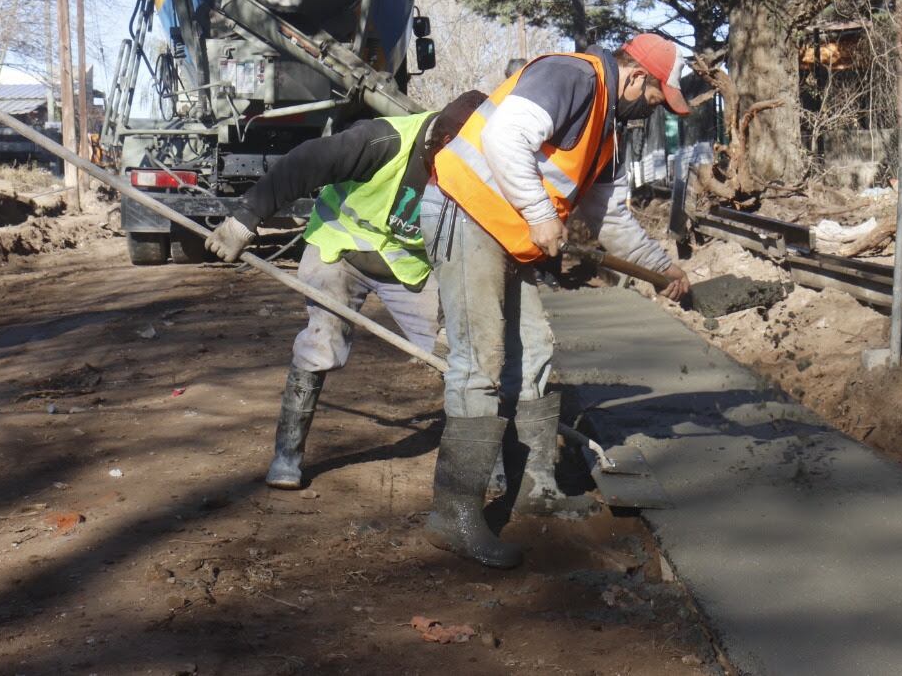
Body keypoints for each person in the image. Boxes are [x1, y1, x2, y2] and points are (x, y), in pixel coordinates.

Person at [421, 34, 693, 569]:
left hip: (508, 232)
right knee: (480, 363)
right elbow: (503, 136)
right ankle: (452, 514)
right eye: (656, 98)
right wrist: (541, 214)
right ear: (635, 76)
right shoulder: (574, 76)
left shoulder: (608, 133)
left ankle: (534, 486)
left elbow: (610, 219)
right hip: (465, 212)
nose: (652, 110)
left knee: (535, 349)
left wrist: (663, 269)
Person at [204, 91, 487, 488]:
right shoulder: (384, 140)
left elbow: (467, 251)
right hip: (340, 249)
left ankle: (482, 464)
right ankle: (287, 456)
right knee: (322, 344)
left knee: (463, 354)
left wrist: (447, 319)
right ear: (434, 143)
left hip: (407, 266)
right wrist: (245, 219)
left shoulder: (482, 170)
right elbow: (305, 162)